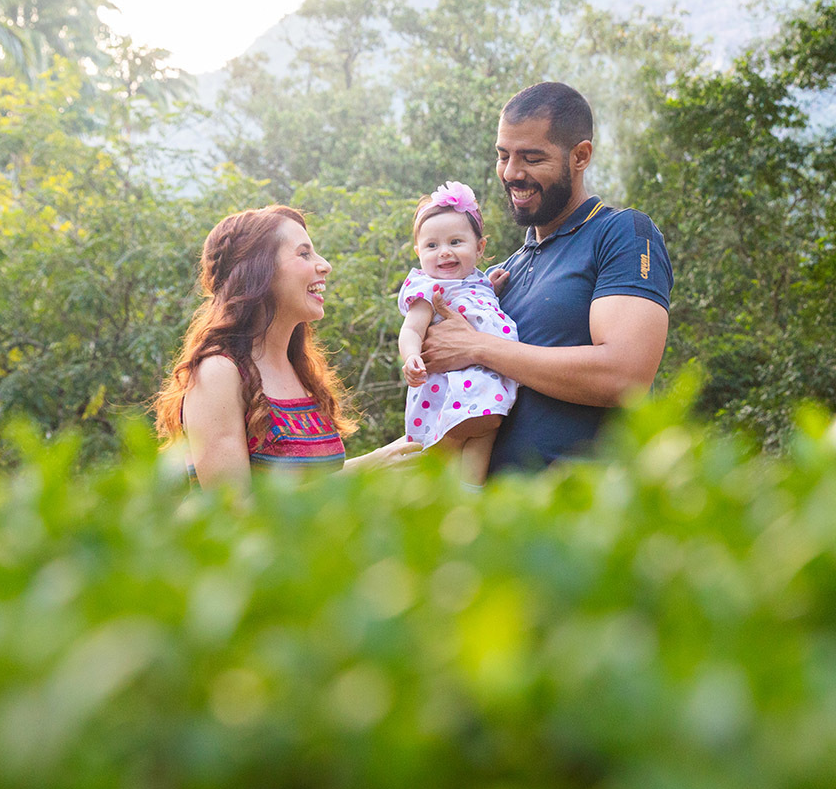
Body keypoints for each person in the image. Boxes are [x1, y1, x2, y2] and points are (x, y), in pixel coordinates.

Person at [421, 82, 673, 473]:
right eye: (503, 156)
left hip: (586, 502)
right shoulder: (504, 273)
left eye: (532, 158)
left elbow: (625, 376)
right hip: (493, 504)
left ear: (580, 156)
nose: (511, 173)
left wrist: (479, 346)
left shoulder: (621, 233)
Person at [155, 205, 419, 489]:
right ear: (259, 271)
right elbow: (232, 507)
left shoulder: (299, 371)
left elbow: (312, 484)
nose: (325, 265)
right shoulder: (218, 372)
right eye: (304, 254)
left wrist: (387, 457)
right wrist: (367, 470)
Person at [397, 181, 518, 486]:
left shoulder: (478, 283)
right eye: (432, 246)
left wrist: (490, 288)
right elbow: (411, 329)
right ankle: (435, 490)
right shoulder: (429, 290)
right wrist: (411, 357)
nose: (444, 252)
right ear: (418, 252)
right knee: (448, 446)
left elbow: (477, 310)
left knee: (486, 430)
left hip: (485, 386)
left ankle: (470, 493)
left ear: (479, 248)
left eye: (455, 242)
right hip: (450, 390)